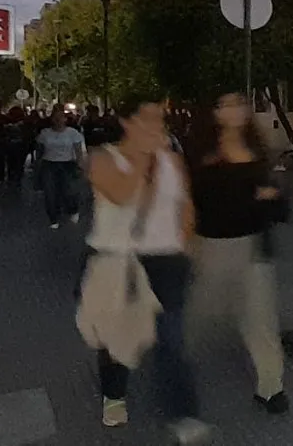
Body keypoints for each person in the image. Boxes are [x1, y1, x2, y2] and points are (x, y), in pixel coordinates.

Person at [79, 95, 211, 443]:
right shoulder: (101, 158)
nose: (157, 126)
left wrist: (187, 244)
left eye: (160, 119)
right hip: (117, 260)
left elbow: (186, 205)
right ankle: (114, 394)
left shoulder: (173, 161)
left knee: (171, 339)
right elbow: (122, 194)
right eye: (148, 119)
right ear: (127, 121)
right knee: (116, 336)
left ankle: (183, 413)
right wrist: (143, 155)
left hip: (166, 260)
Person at [187, 92, 289, 414]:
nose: (235, 110)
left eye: (240, 104)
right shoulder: (201, 152)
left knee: (260, 319)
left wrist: (271, 197)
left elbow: (275, 202)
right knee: (194, 317)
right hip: (211, 246)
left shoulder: (258, 152)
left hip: (253, 245)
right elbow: (192, 201)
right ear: (215, 112)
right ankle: (172, 369)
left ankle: (271, 388)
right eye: (226, 104)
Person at [36, 105, 85, 228]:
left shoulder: (73, 133)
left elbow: (78, 151)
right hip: (49, 164)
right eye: (55, 118)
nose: (58, 121)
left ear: (65, 119)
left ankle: (73, 209)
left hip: (67, 164)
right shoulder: (45, 133)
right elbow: (39, 151)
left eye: (60, 118)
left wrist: (80, 164)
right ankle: (53, 218)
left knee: (68, 191)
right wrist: (37, 165)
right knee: (50, 192)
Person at [4, 106, 30, 183]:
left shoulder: (7, 123)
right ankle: (18, 176)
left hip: (10, 145)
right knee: (20, 163)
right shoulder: (25, 122)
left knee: (11, 162)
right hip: (22, 145)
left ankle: (11, 177)